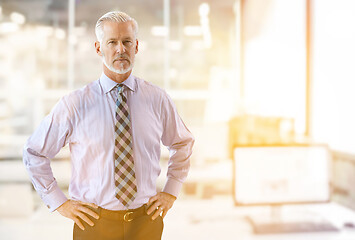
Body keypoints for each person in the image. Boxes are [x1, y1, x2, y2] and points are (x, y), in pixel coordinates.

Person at [23, 11, 194, 240]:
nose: (120, 49)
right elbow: (34, 153)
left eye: (127, 42)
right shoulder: (75, 104)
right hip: (93, 224)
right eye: (112, 42)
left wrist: (171, 192)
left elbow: (182, 143)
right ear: (98, 48)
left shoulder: (157, 99)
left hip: (146, 223)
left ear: (136, 46)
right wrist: (59, 202)